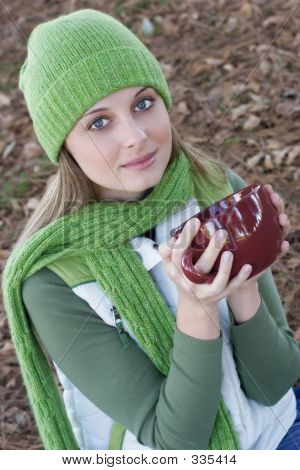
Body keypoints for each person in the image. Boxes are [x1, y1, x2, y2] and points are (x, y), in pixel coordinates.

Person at [2, 8, 300, 451]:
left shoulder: (216, 190)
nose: (137, 136)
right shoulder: (52, 279)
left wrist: (244, 280)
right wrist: (197, 309)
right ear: (63, 146)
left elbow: (275, 385)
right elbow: (175, 444)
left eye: (143, 103)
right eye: (99, 122)